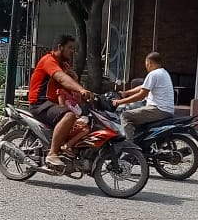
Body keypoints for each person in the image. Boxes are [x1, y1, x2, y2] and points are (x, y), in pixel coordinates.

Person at [27, 35, 95, 169]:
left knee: (80, 121)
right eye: (70, 48)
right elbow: (62, 79)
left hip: (53, 105)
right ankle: (52, 154)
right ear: (60, 47)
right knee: (68, 115)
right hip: (40, 103)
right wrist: (81, 89)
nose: (72, 52)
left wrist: (85, 92)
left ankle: (67, 149)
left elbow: (70, 86)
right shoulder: (49, 60)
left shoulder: (64, 65)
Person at [109, 52, 174, 140]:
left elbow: (141, 96)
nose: (146, 67)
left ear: (149, 63)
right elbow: (143, 86)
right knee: (136, 112)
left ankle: (129, 147)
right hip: (165, 110)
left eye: (146, 64)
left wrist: (119, 102)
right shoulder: (163, 73)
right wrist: (126, 92)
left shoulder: (153, 74)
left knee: (125, 116)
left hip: (158, 110)